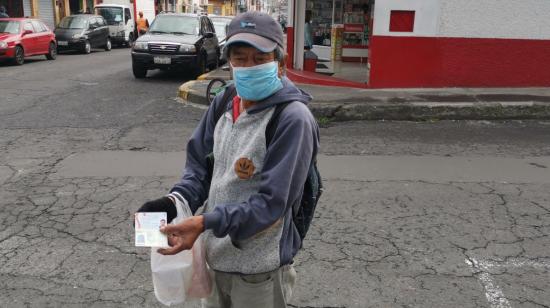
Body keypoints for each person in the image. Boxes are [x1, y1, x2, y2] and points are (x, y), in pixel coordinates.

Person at [137, 11, 319, 308]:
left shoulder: (292, 119)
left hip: (259, 273)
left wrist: (203, 222)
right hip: (214, 258)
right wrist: (174, 202)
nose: (249, 66)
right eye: (240, 58)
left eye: (260, 59)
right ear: (229, 63)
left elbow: (270, 205)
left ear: (281, 64)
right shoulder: (226, 99)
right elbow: (200, 166)